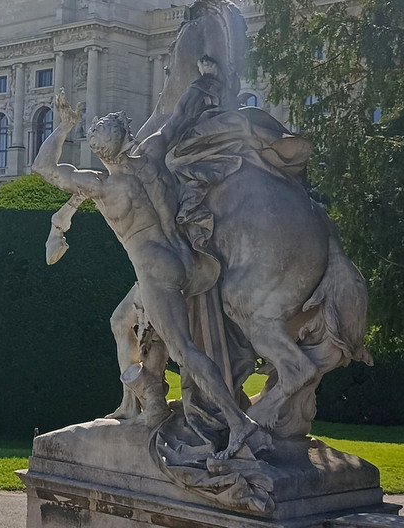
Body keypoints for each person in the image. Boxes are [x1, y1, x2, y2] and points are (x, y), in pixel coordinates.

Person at [33, 87, 259, 460]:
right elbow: (180, 115)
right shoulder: (152, 154)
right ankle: (141, 400)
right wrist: (203, 86)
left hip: (155, 272)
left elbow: (43, 167)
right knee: (120, 321)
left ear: (98, 150)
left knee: (185, 351)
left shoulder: (102, 186)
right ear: (127, 136)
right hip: (186, 260)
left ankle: (238, 423)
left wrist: (65, 125)